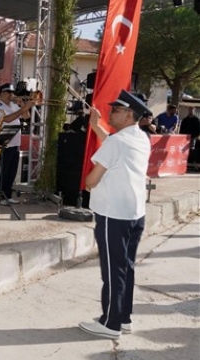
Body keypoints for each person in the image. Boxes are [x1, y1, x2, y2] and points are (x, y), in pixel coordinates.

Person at [78, 90, 151, 340]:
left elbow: (92, 180)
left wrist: (88, 184)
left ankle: (110, 323)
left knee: (112, 269)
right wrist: (95, 125)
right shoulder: (140, 137)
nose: (111, 112)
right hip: (134, 213)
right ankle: (124, 318)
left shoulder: (117, 142)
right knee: (126, 267)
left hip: (113, 215)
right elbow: (111, 142)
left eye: (116, 110)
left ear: (129, 115)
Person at [0, 83, 37, 205]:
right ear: (1, 94)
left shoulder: (13, 105)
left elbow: (26, 116)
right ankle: (1, 196)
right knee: (3, 171)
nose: (10, 95)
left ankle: (8, 194)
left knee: (12, 171)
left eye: (11, 93)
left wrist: (23, 105)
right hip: (4, 144)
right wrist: (23, 108)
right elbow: (8, 119)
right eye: (7, 93)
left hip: (15, 143)